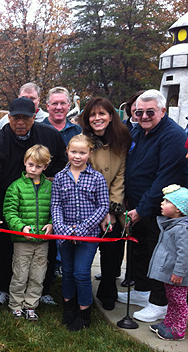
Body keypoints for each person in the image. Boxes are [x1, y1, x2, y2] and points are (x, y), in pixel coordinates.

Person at [0, 97, 67, 307]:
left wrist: (53, 177)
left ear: (34, 117)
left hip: (41, 197)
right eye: (16, 118)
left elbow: (63, 163)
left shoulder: (50, 135)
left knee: (44, 242)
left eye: (25, 119)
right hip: (6, 197)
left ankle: (43, 288)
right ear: (8, 118)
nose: (20, 123)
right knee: (0, 243)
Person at [121, 89, 188, 323]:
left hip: (161, 208)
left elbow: (164, 177)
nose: (144, 116)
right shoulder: (138, 131)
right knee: (140, 251)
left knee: (160, 256)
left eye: (150, 112)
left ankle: (159, 303)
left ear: (163, 111)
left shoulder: (173, 136)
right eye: (139, 112)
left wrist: (142, 209)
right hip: (138, 203)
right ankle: (142, 291)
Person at [78, 97, 132, 311]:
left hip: (112, 204)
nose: (97, 118)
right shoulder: (82, 141)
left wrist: (111, 210)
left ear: (111, 116)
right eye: (93, 114)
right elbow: (80, 177)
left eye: (102, 114)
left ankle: (108, 288)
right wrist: (99, 212)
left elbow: (119, 177)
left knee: (113, 243)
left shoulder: (121, 140)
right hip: (87, 204)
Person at [51, 134, 109, 331]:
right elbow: (56, 205)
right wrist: (63, 229)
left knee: (81, 272)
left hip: (88, 234)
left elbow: (103, 206)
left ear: (89, 154)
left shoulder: (97, 178)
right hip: (65, 233)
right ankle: (69, 307)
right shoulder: (60, 177)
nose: (77, 156)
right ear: (67, 151)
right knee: (67, 271)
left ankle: (84, 312)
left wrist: (83, 228)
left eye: (82, 152)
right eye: (73, 152)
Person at [4, 145, 53, 321]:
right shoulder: (15, 187)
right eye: (31, 164)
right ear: (25, 162)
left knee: (38, 274)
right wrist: (20, 227)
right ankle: (16, 304)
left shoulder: (50, 187)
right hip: (22, 240)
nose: (34, 169)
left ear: (45, 167)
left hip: (42, 241)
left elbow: (55, 209)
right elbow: (9, 212)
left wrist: (51, 224)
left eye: (38, 166)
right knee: (20, 273)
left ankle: (31, 305)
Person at [147, 185, 188, 341]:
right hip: (171, 274)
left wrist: (179, 272)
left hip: (178, 275)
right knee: (171, 299)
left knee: (179, 301)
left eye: (167, 201)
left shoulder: (182, 228)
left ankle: (178, 330)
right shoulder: (173, 224)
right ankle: (169, 323)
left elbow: (184, 254)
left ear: (178, 209)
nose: (162, 204)